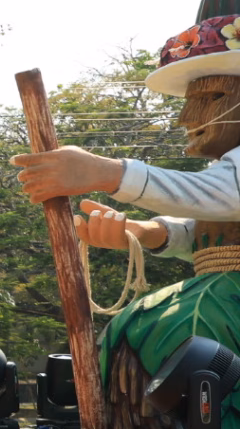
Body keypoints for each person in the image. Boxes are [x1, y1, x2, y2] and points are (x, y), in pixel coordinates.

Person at [13, 14, 240, 259]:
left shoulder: (226, 186)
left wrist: (107, 172)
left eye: (214, 98)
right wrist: (145, 232)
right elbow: (215, 230)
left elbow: (225, 194)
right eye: (190, 102)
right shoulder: (223, 175)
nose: (186, 118)